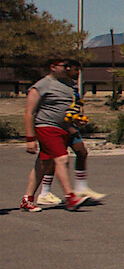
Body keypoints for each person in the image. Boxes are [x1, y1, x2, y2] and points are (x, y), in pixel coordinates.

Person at [20, 58, 90, 212]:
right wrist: (30, 138)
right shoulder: (41, 85)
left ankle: (28, 199)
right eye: (64, 66)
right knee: (62, 158)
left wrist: (76, 121)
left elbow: (70, 109)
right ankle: (70, 197)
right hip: (46, 127)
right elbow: (29, 112)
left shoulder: (69, 85)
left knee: (43, 163)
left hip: (63, 129)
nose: (68, 69)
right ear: (53, 67)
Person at [36, 78, 105, 206]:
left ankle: (81, 187)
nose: (76, 73)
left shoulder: (73, 88)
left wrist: (78, 120)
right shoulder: (54, 87)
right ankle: (45, 193)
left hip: (70, 126)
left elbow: (73, 109)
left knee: (81, 152)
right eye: (73, 70)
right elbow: (55, 110)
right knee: (53, 158)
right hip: (57, 127)